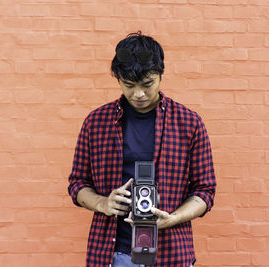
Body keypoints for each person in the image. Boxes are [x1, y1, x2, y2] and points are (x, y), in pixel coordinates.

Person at [68, 31, 216, 267]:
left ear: (161, 75)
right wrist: (103, 203)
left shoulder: (189, 123)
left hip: (171, 254)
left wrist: (173, 218)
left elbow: (205, 190)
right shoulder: (96, 122)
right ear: (118, 79)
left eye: (148, 84)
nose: (138, 94)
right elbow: (77, 183)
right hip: (112, 253)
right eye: (129, 85)